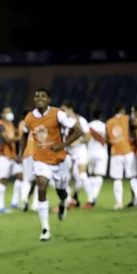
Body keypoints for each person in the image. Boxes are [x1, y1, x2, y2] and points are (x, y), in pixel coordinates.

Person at [16, 88, 83, 241]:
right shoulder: (29, 118)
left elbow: (77, 130)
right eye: (37, 96)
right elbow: (24, 136)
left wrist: (63, 145)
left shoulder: (58, 114)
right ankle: (45, 228)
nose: (39, 98)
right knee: (42, 186)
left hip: (59, 160)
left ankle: (62, 203)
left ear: (49, 100)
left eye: (43, 96)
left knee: (61, 192)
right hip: (40, 159)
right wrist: (20, 153)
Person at [106, 104, 137, 209]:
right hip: (128, 151)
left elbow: (106, 138)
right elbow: (135, 128)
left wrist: (114, 141)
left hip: (116, 152)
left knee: (117, 179)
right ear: (122, 110)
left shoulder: (109, 122)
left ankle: (119, 203)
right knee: (132, 177)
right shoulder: (127, 118)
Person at [0, 106, 22, 213]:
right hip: (3, 156)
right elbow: (7, 139)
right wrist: (20, 138)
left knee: (21, 175)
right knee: (3, 180)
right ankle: (0, 206)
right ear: (2, 115)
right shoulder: (0, 125)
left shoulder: (10, 124)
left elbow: (17, 132)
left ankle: (14, 202)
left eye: (10, 111)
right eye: (7, 112)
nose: (10, 113)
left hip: (11, 156)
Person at [86, 109, 108, 207]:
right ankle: (93, 197)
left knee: (90, 176)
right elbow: (107, 139)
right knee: (99, 176)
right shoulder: (105, 126)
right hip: (102, 153)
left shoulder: (88, 126)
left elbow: (86, 139)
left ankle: (91, 197)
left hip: (90, 153)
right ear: (101, 116)